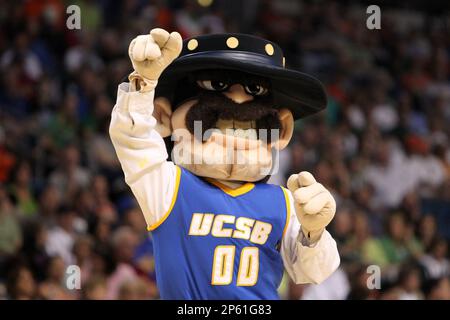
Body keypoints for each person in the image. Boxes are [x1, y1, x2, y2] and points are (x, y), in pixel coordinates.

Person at [109, 28, 340, 299]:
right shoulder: (169, 187)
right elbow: (134, 140)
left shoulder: (285, 202)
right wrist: (143, 84)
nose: (239, 98)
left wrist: (314, 232)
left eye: (253, 92)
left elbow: (314, 272)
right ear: (163, 117)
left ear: (283, 130)